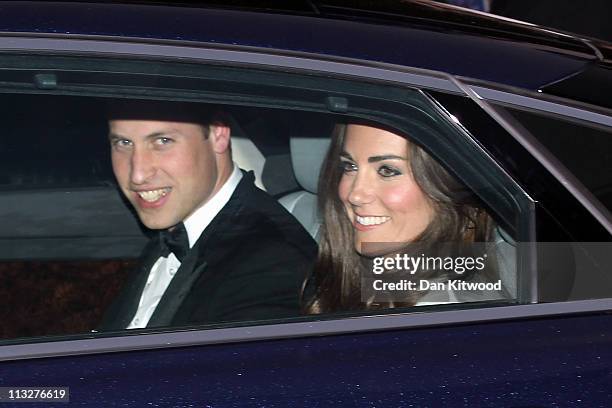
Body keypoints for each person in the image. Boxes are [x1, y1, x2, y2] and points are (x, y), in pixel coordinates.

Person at [99, 100, 316, 330]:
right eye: (124, 143)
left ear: (218, 134)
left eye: (163, 141)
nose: (138, 174)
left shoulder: (275, 263)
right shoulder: (174, 229)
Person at [304, 123, 507, 314]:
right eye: (350, 166)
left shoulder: (442, 312)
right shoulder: (362, 279)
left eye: (387, 171)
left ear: (447, 185)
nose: (354, 195)